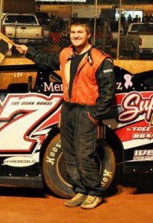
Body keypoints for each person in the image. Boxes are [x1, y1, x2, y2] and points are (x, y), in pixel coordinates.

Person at [16, 18, 115, 209]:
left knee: (84, 153)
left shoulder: (101, 59)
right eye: (73, 32)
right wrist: (28, 51)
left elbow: (108, 92)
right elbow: (46, 60)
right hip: (68, 108)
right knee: (69, 153)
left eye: (80, 32)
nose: (76, 36)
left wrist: (94, 114)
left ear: (88, 35)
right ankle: (80, 190)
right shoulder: (66, 53)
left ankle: (94, 193)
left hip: (86, 111)